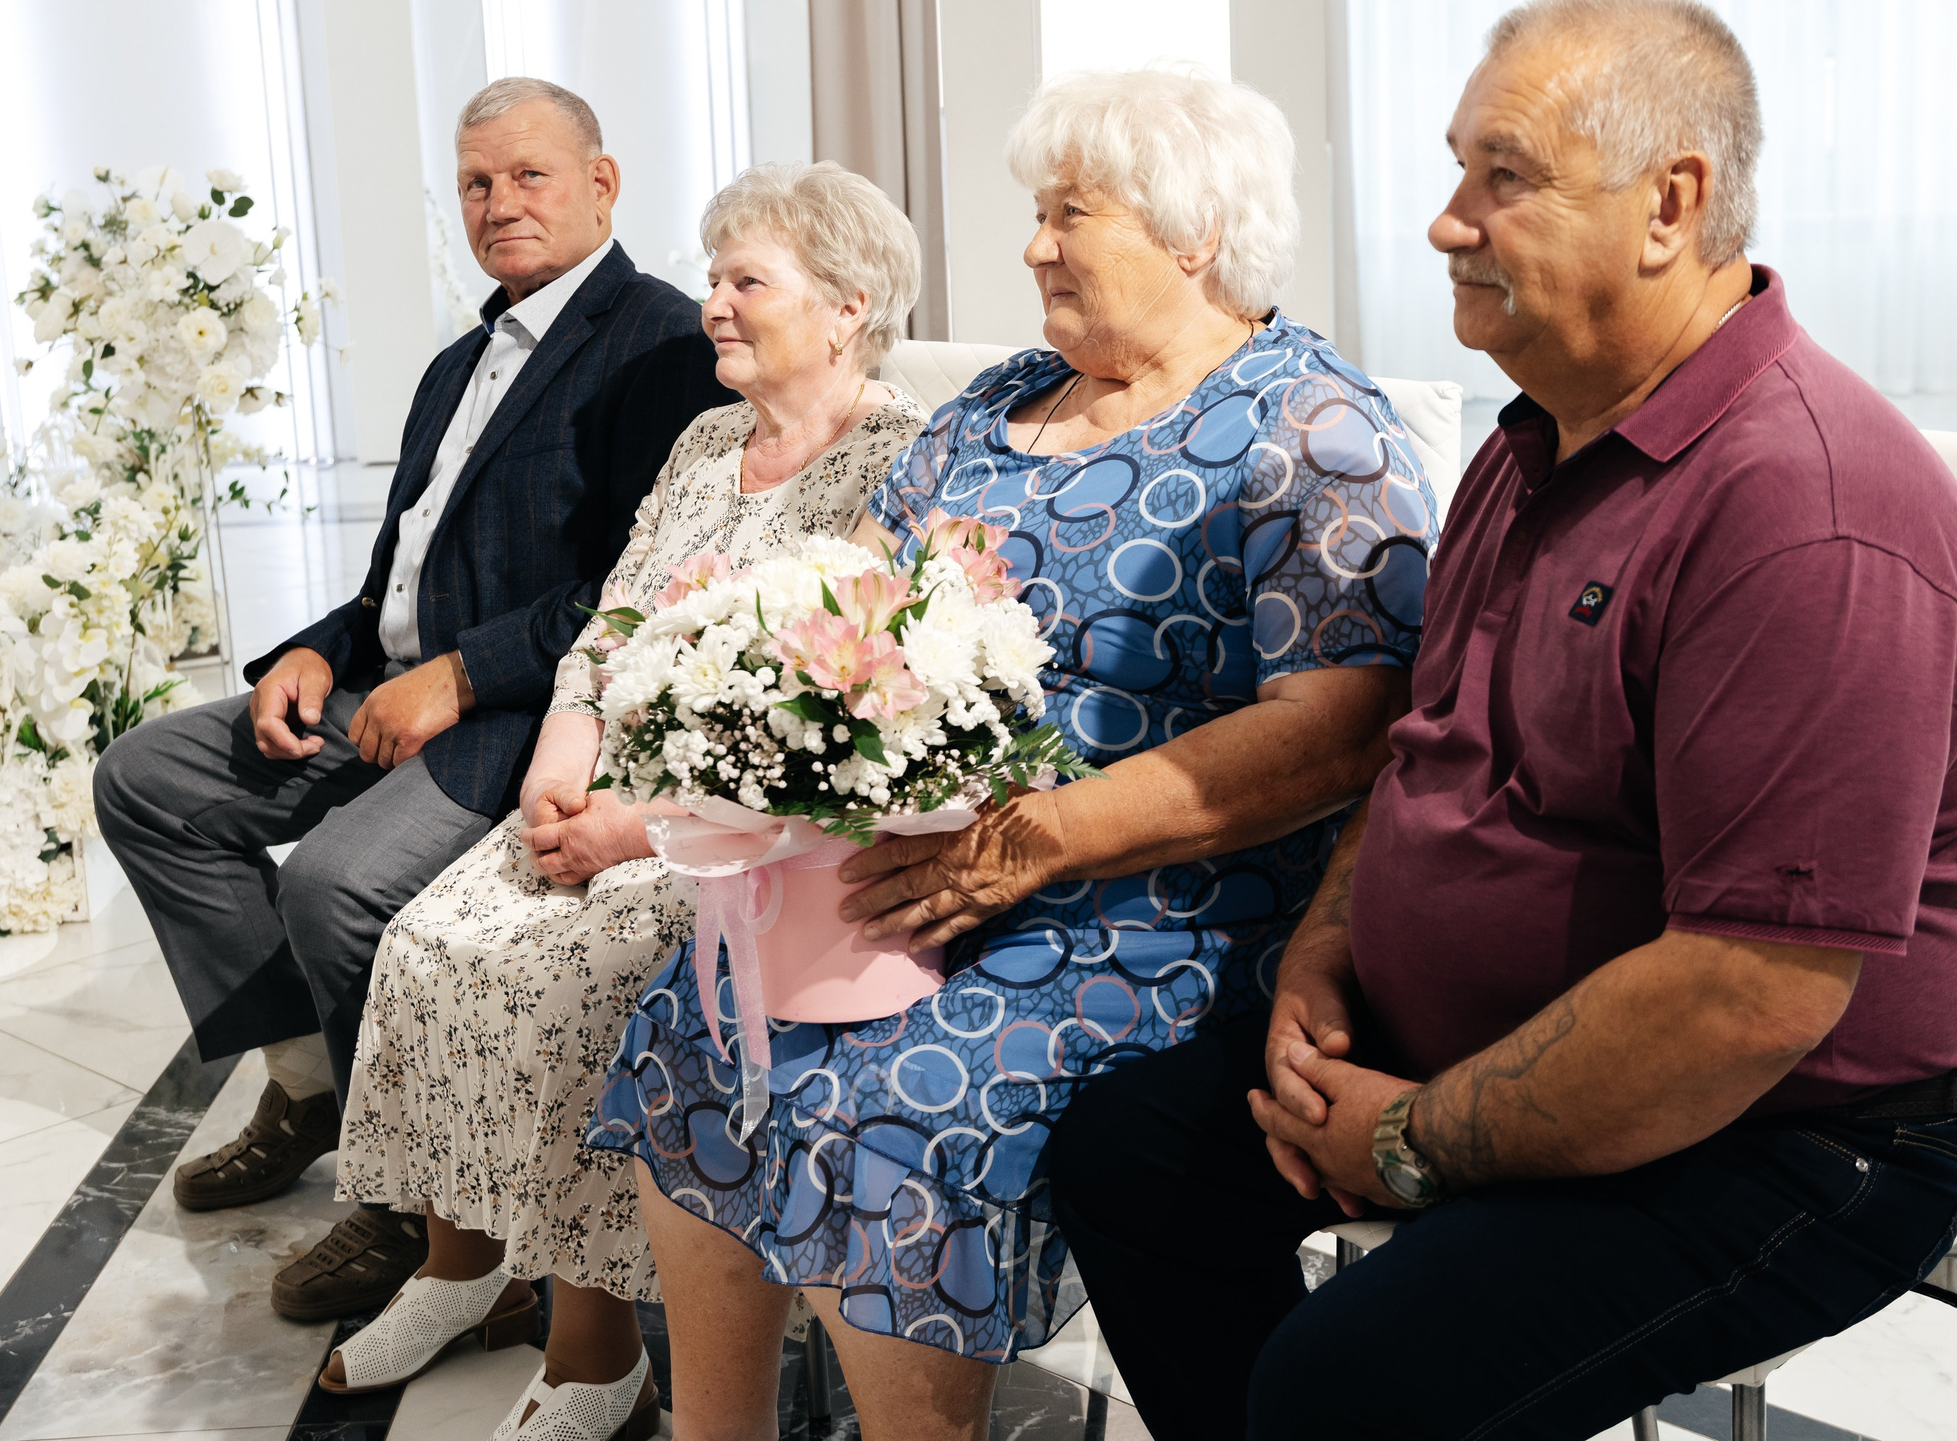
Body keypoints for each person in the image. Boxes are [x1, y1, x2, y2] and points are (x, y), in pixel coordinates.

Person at [1046, 0, 1957, 1440]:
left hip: (1780, 1131)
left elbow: (1750, 993)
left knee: (1345, 1383)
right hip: (1482, 1046)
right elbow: (1421, 758)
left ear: (1670, 204)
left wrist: (1416, 1141)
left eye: (1505, 177)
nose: (1447, 220)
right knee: (1135, 1153)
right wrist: (1325, 960)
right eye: (1456, 169)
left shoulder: (1805, 512)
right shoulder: (1540, 437)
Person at [586, 69, 1436, 1441]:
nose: (1032, 245)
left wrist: (1035, 842)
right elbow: (844, 601)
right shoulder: (997, 402)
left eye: (1067, 213)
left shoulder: (1312, 427)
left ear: (1192, 233)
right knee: (701, 1022)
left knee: (884, 1108)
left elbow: (1343, 724)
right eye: (1036, 214)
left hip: (1150, 906)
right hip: (917, 862)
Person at [94, 77, 728, 1324]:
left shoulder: (658, 345)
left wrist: (462, 674)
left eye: (529, 176)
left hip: (524, 714)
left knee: (333, 883)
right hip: (388, 686)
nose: (499, 204)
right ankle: (309, 1085)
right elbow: (397, 571)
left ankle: (401, 1204)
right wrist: (318, 651)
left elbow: (638, 585)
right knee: (148, 780)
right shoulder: (457, 364)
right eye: (476, 183)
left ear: (603, 184)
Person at [319, 163, 930, 1441]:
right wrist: (557, 775)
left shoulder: (901, 460)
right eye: (711, 277)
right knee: (429, 941)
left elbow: (814, 723)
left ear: (847, 307)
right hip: (597, 789)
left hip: (749, 838)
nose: (710, 303)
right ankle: (459, 1267)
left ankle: (595, 1353)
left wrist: (628, 827)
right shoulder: (708, 442)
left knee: (568, 986)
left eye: (744, 281)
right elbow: (606, 630)